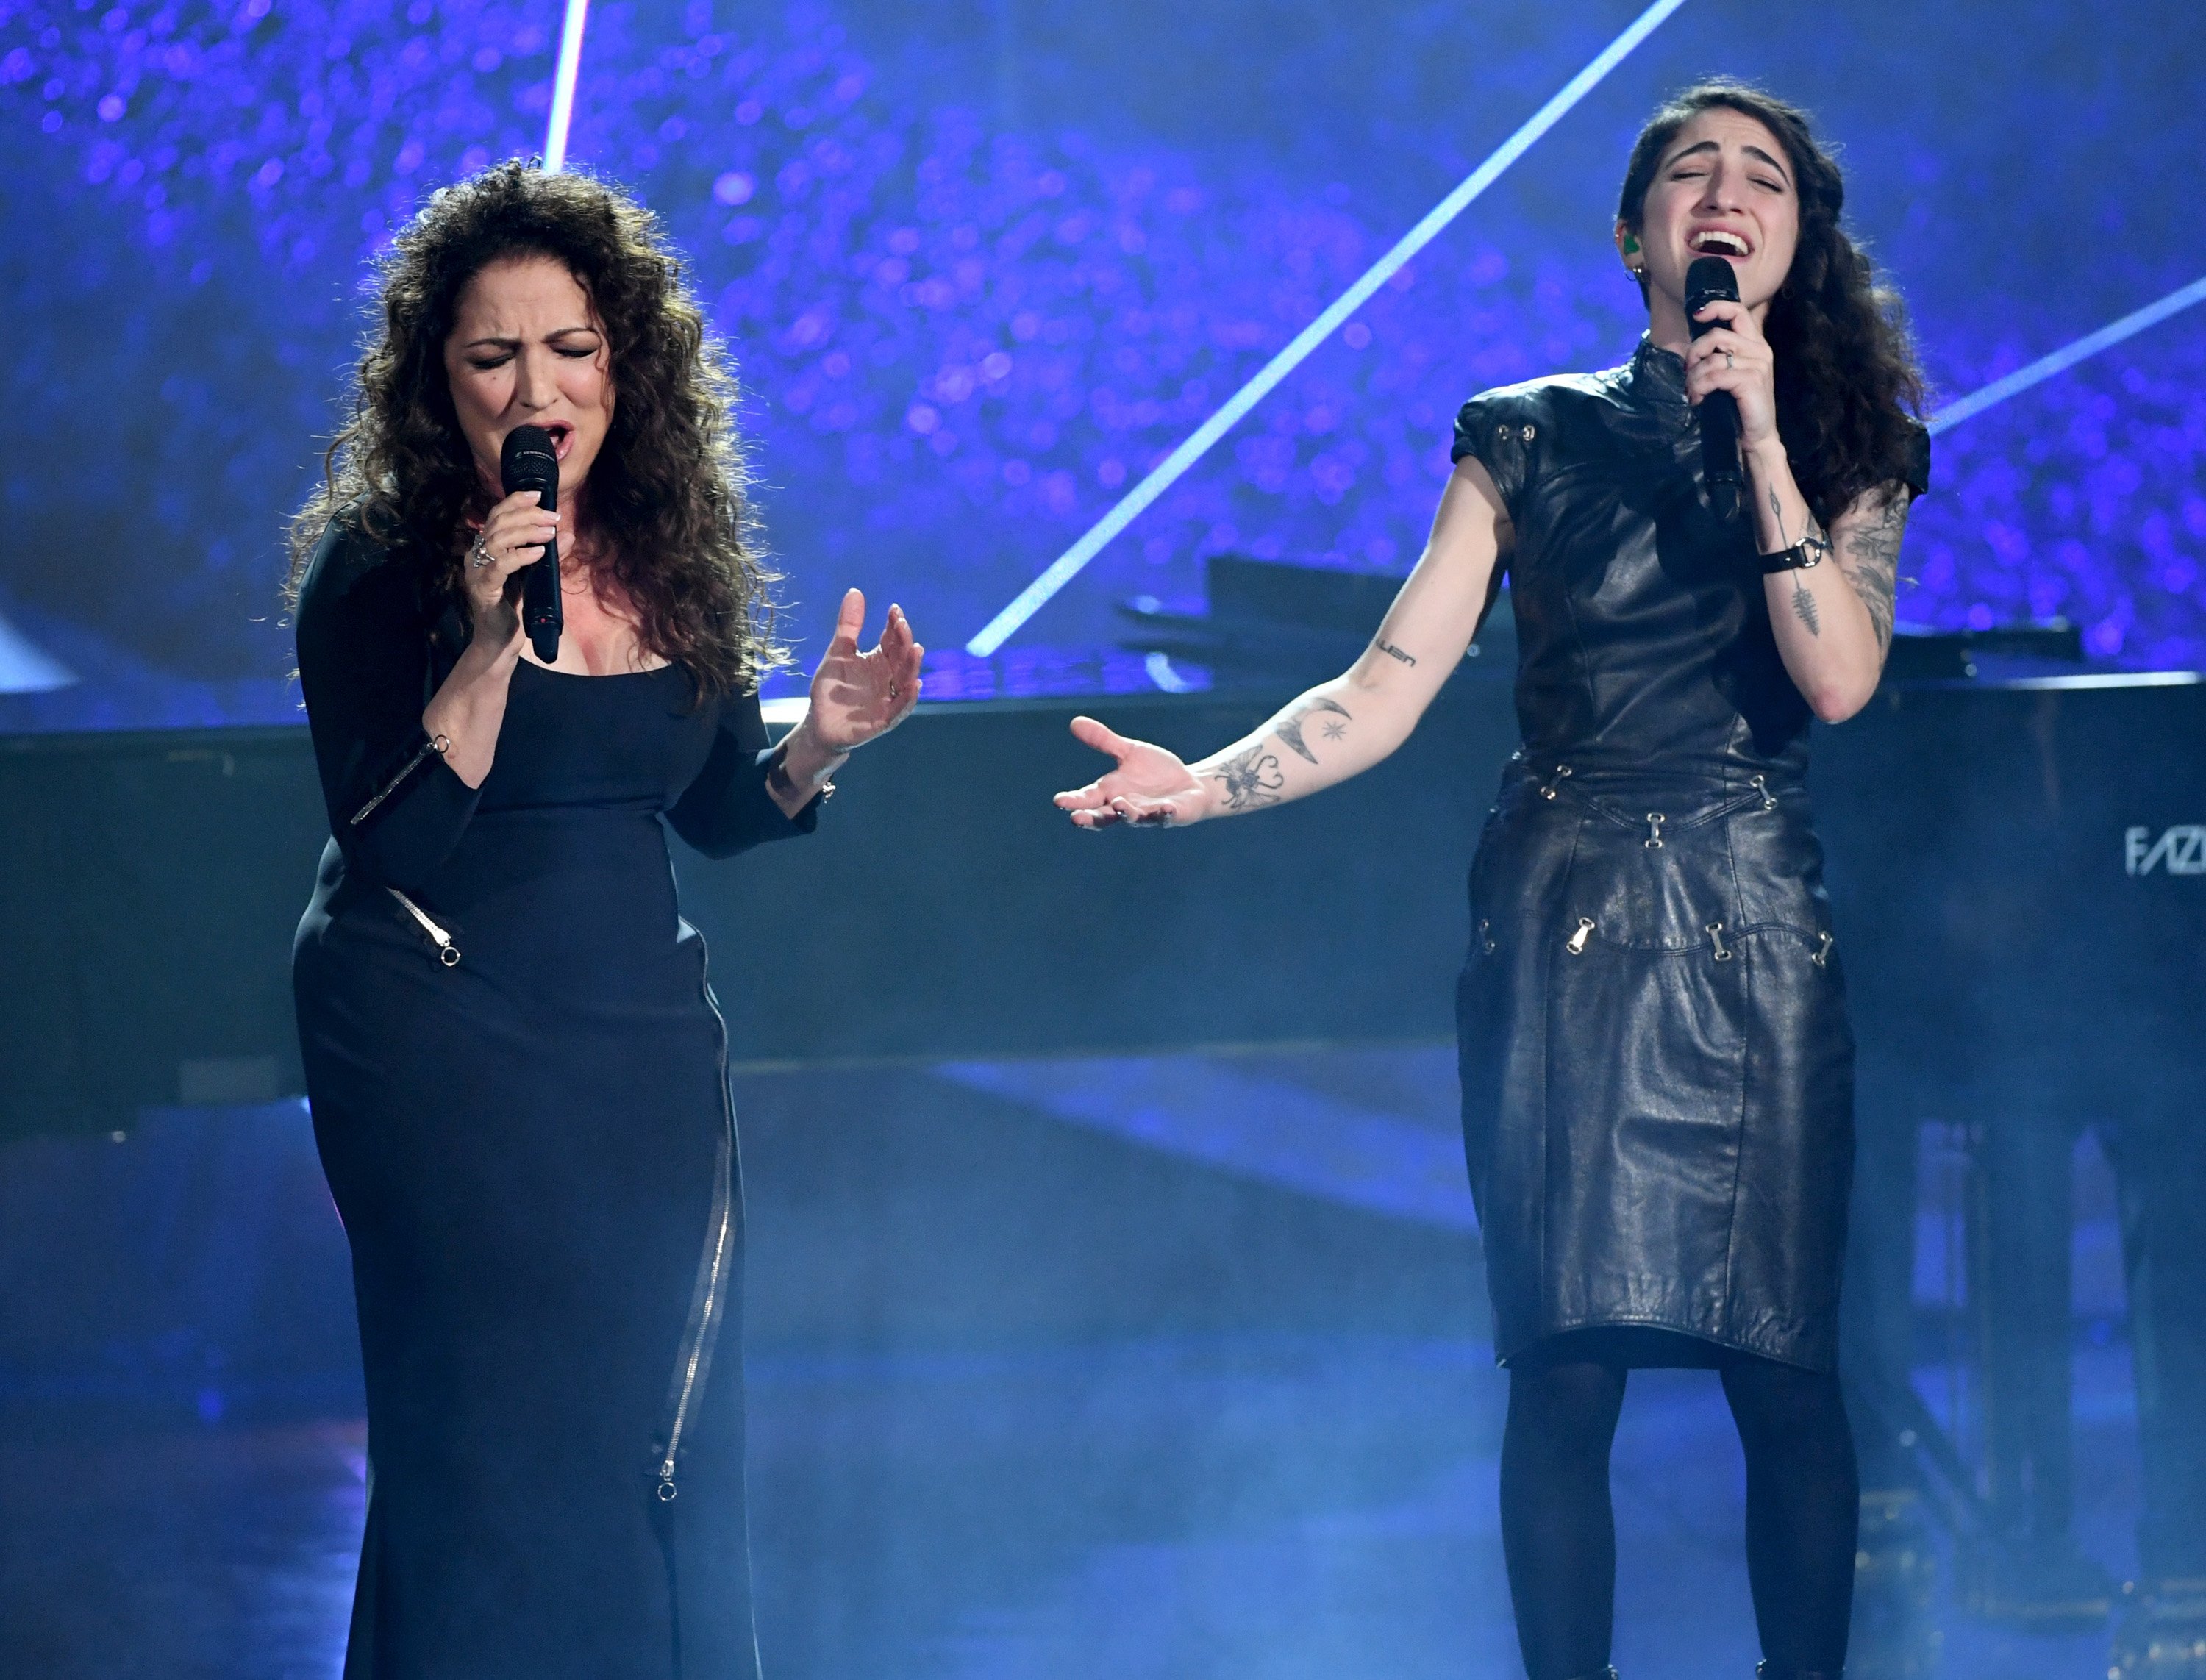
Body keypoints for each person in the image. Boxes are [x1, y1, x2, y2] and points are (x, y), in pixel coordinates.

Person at [1056, 81, 1929, 1680]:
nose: (1726, 198)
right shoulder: (1524, 434)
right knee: (1565, 1372)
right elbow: (1380, 688)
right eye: (1691, 174)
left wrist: (1760, 435)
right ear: (1634, 234)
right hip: (1564, 927)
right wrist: (1205, 788)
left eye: (1765, 184)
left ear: (1796, 246)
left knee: (1787, 1372)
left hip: (1752, 928)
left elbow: (1840, 680)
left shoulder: (1851, 443)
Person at [287, 162, 922, 1680]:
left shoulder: (674, 551)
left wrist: (819, 744)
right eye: (492, 357)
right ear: (437, 382)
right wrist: (492, 641)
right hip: (432, 1032)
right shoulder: (378, 574)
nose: (538, 392)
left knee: (660, 1424)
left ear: (625, 359)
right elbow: (395, 841)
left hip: (632, 1039)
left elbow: (708, 813)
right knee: (496, 1435)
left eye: (569, 349)